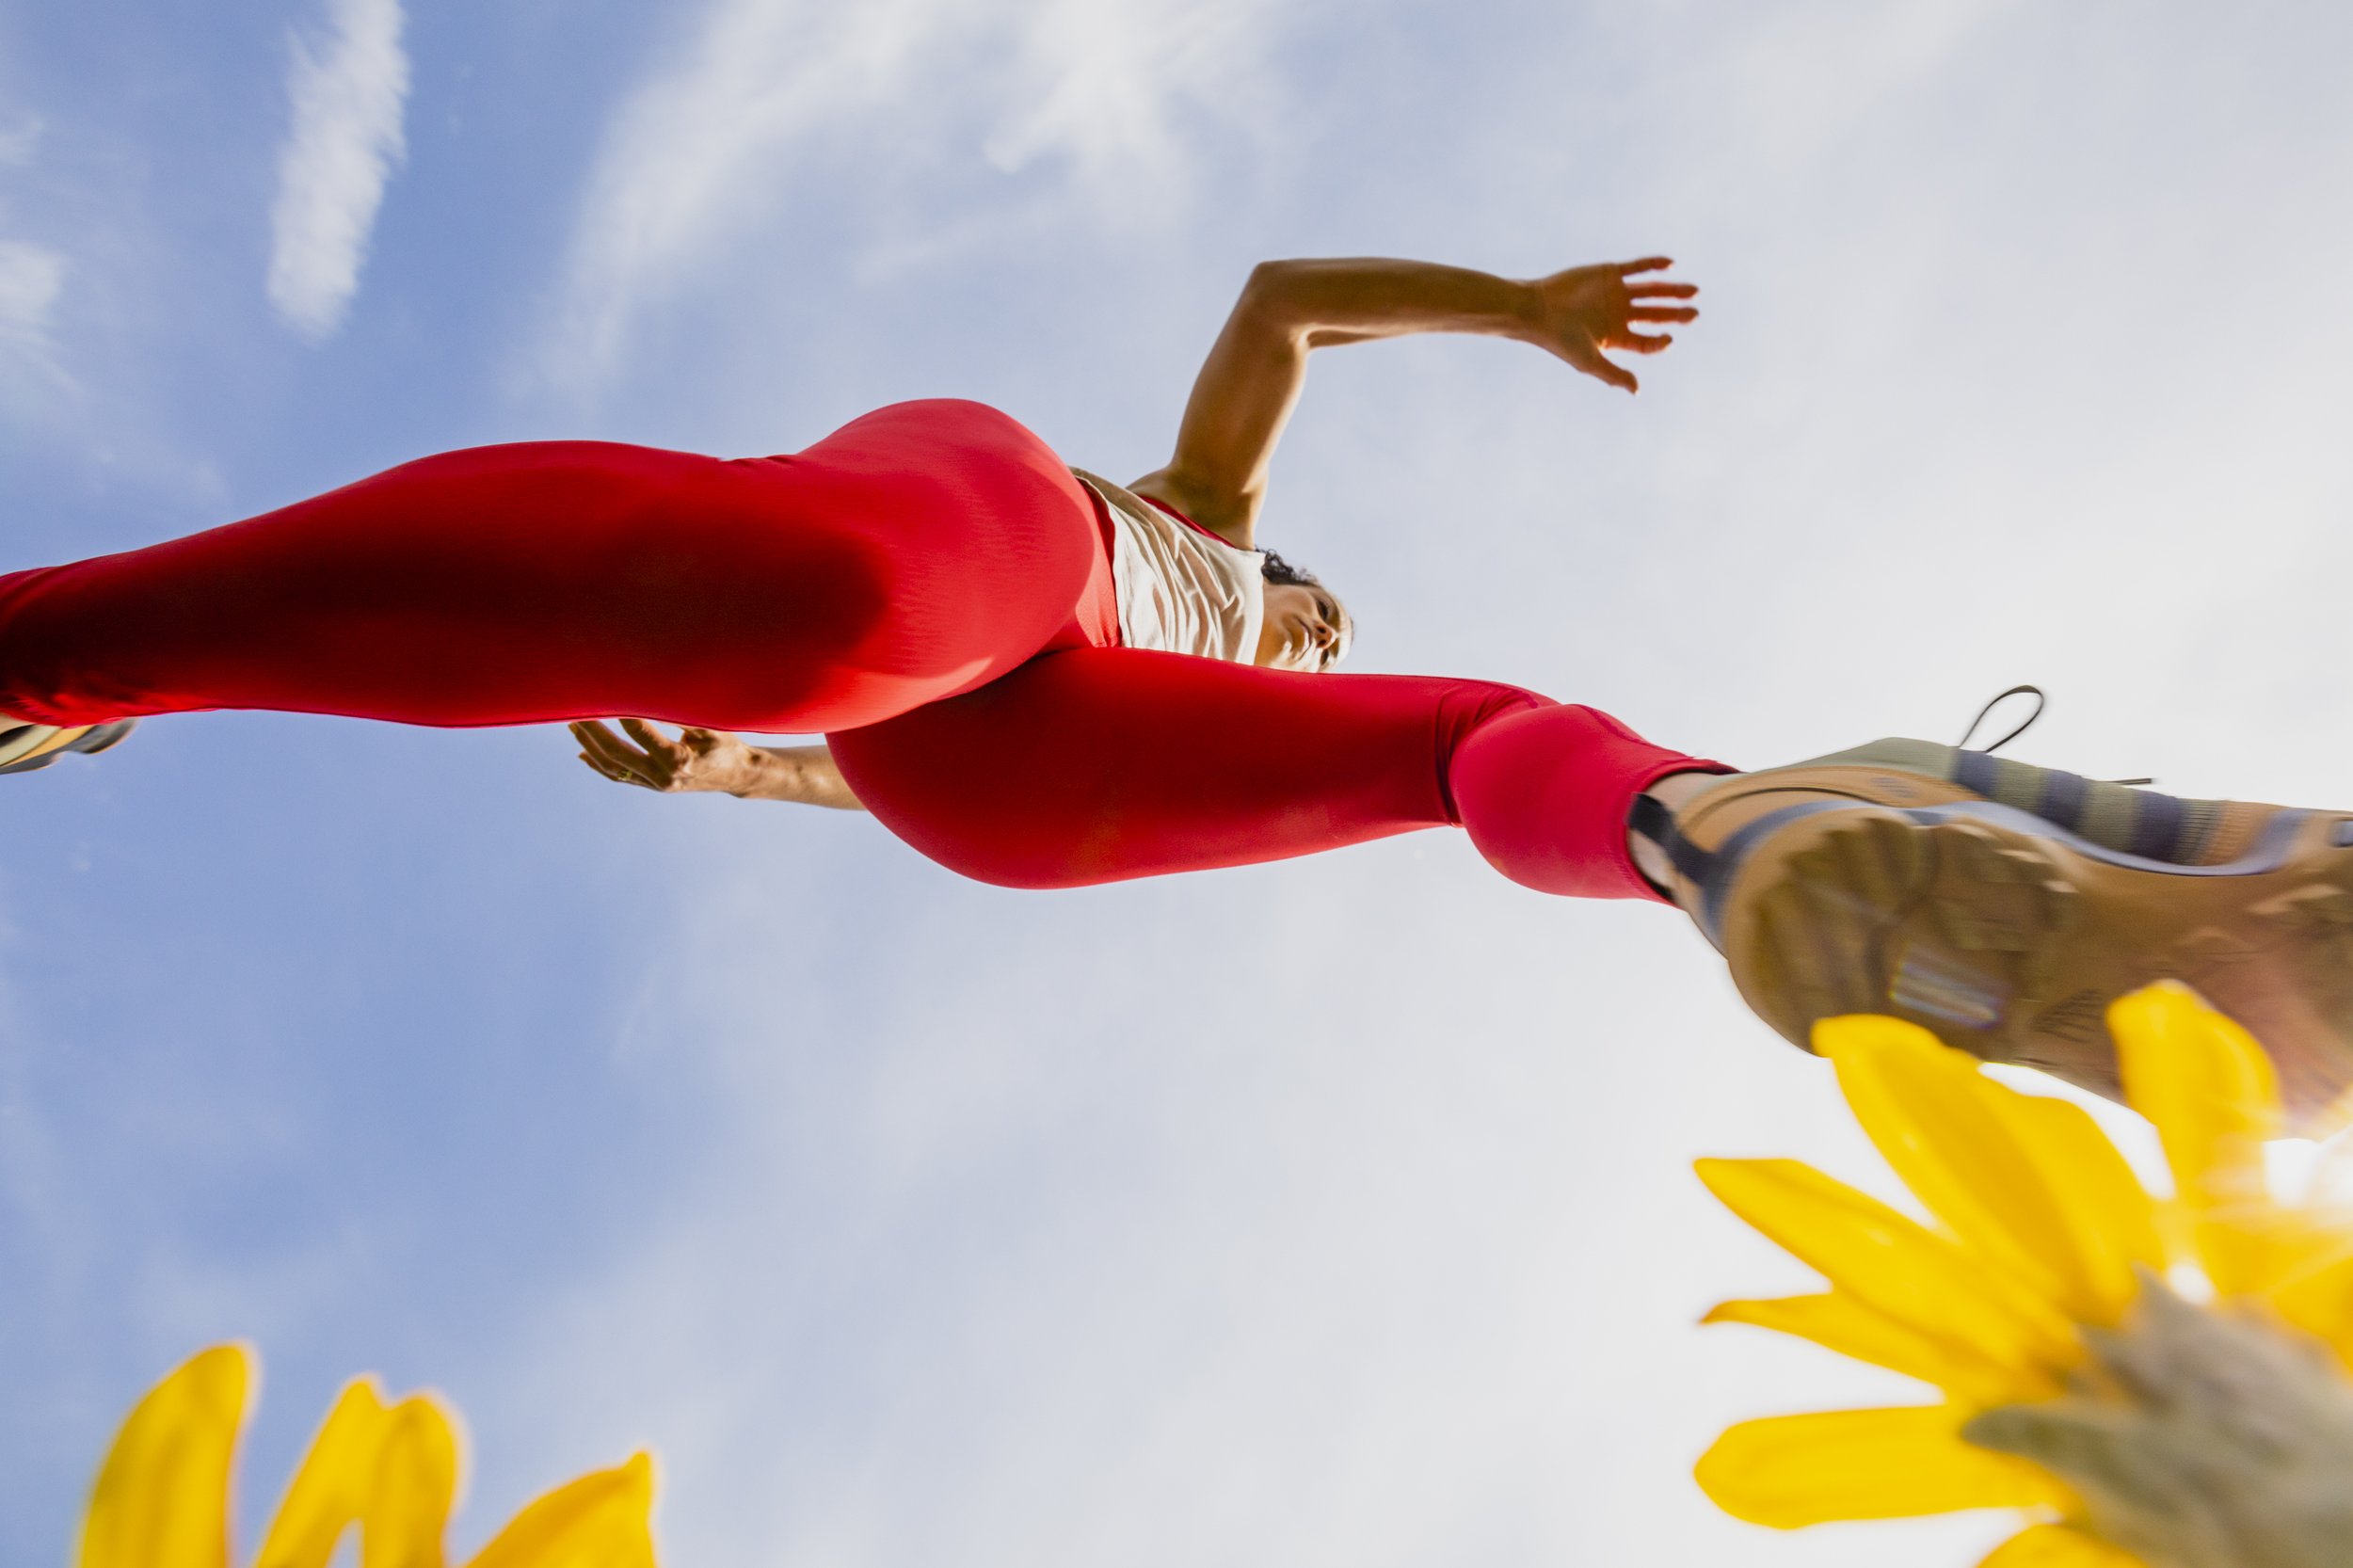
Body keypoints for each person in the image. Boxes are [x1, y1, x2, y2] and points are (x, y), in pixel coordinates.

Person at [6, 257, 2350, 1124]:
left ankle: (1749, 830)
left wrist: (735, 766)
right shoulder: (1180, 513)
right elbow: (1273, 305)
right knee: (836, 593)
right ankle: (1751, 817)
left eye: (1305, 598)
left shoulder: (1204, 648)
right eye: (1303, 588)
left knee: (1464, 740)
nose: (1309, 610)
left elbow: (870, 768)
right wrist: (1517, 312)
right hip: (992, 542)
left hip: (976, 755)